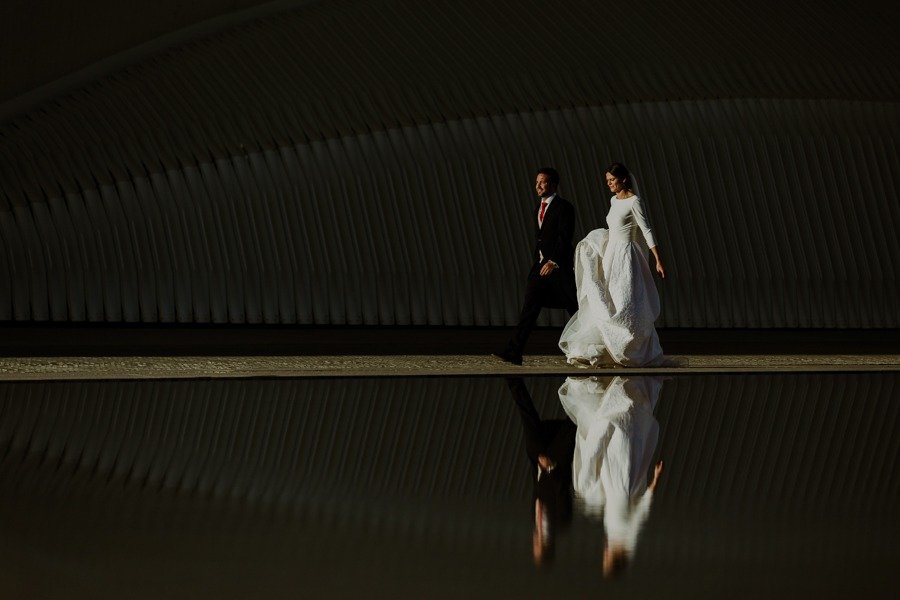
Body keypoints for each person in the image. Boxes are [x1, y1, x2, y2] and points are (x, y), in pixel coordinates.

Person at [558, 163, 666, 367]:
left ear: (623, 179)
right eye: (607, 180)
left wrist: (658, 259)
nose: (609, 184)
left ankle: (629, 347)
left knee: (625, 300)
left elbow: (646, 230)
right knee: (609, 299)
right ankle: (608, 346)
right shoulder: (613, 200)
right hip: (611, 255)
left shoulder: (634, 201)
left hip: (627, 257)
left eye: (612, 180)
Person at [557, 375, 665, 578]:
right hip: (623, 479)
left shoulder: (613, 536)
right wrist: (655, 481)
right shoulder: (627, 538)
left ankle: (619, 394)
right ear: (613, 558)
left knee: (612, 439)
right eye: (605, 558)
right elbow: (642, 510)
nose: (603, 554)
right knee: (621, 437)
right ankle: (623, 393)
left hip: (611, 478)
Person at [495, 168, 578, 366]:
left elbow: (564, 238)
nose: (538, 186)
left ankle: (596, 346)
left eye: (542, 182)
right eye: (536, 182)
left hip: (558, 267)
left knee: (576, 309)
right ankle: (514, 352)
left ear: (553, 184)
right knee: (529, 307)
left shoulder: (564, 207)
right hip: (540, 266)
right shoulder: (537, 209)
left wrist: (554, 261)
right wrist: (541, 260)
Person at [505, 377, 576, 567]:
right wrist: (551, 467)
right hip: (557, 461)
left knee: (529, 428)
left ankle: (513, 381)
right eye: (537, 545)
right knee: (575, 426)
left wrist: (538, 464)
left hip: (539, 458)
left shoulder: (535, 524)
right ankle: (589, 385)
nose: (533, 542)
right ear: (546, 546)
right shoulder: (561, 522)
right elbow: (563, 489)